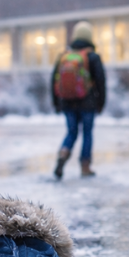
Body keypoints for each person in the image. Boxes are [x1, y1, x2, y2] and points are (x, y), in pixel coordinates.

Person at [52, 21, 106, 180]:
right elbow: (101, 82)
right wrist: (101, 103)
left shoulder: (63, 56)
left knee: (71, 132)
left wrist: (56, 102)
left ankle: (63, 154)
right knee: (87, 133)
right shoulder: (92, 56)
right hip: (87, 102)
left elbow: (53, 80)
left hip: (67, 102)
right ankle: (85, 166)